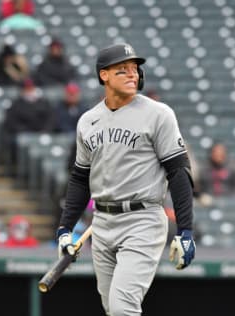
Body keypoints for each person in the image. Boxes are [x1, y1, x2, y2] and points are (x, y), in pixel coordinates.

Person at [56, 43, 196, 316]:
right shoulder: (88, 120)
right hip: (102, 222)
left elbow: (179, 172)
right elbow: (80, 179)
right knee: (112, 309)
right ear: (104, 76)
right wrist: (64, 229)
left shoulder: (158, 114)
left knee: (123, 308)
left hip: (142, 219)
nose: (133, 74)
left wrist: (186, 230)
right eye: (123, 70)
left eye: (135, 69)